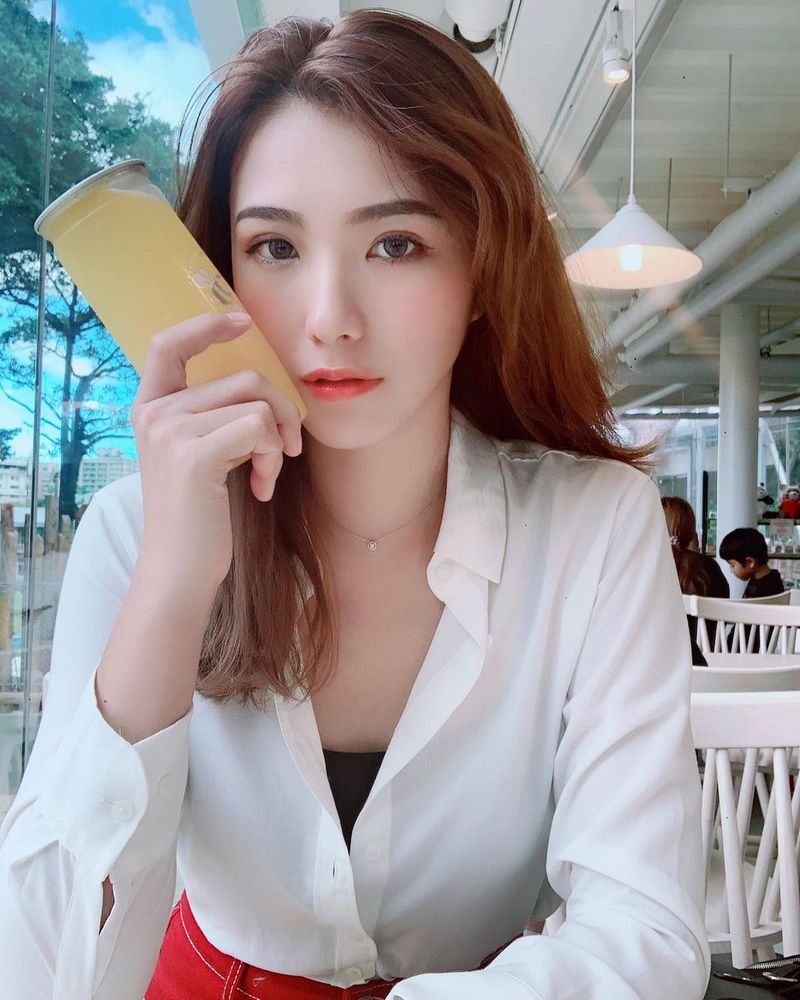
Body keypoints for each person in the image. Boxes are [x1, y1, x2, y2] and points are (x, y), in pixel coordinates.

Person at [0, 11, 709, 1000]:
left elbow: (644, 932)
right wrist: (170, 587)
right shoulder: (135, 535)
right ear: (221, 275)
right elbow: (44, 970)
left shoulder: (594, 528)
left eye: (395, 243)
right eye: (274, 247)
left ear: (480, 272)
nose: (329, 317)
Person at [661, 496, 729, 664]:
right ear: (690, 530)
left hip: (662, 666)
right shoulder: (710, 569)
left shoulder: (652, 568)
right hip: (709, 663)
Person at [718, 526, 785, 598]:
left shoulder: (771, 587)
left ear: (750, 562)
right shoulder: (757, 580)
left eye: (732, 565)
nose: (731, 571)